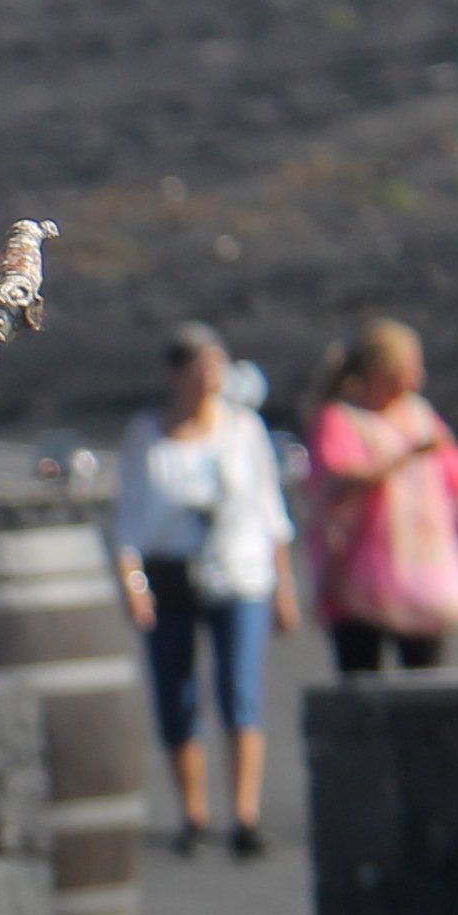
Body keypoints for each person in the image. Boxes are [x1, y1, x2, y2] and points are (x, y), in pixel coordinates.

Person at [112, 323, 298, 856]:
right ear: (177, 374)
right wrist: (133, 583)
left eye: (216, 367)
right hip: (171, 576)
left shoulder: (245, 430)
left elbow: (271, 515)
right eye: (199, 368)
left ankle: (245, 813)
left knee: (240, 689)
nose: (209, 378)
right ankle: (193, 812)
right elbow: (127, 522)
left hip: (240, 575)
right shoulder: (147, 436)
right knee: (177, 695)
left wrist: (284, 589)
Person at [300, 317, 458, 673]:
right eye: (412, 365)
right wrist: (403, 457)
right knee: (361, 678)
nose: (419, 375)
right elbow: (337, 479)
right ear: (383, 368)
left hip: (420, 577)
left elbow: (455, 469)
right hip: (357, 580)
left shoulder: (419, 415)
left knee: (426, 678)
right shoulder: (339, 419)